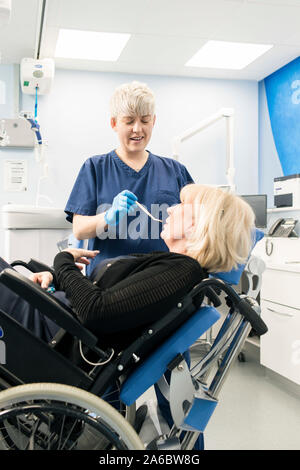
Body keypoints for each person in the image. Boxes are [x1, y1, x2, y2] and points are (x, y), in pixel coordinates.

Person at [0, 183, 255, 450]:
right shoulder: (175, 268)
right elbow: (102, 299)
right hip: (52, 321)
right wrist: (56, 277)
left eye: (181, 206)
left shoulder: (181, 272)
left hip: (49, 337)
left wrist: (63, 260)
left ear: (198, 226)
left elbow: (95, 311)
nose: (170, 210)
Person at [64, 81, 194, 275]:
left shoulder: (175, 171)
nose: (137, 129)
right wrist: (108, 217)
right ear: (114, 123)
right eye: (129, 121)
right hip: (109, 282)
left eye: (144, 120)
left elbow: (198, 222)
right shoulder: (95, 168)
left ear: (154, 121)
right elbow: (79, 229)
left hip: (163, 280)